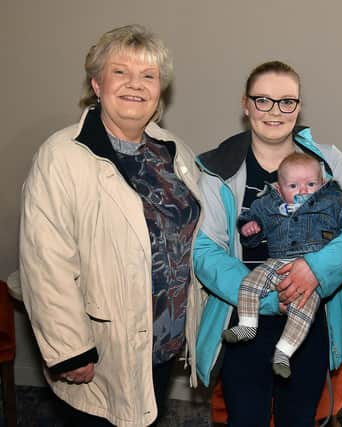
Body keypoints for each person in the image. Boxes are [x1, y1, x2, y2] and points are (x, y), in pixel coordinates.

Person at [17, 25, 204, 426]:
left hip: (162, 340)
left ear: (160, 90)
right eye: (121, 72)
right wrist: (70, 349)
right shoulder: (63, 156)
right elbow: (45, 262)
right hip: (103, 349)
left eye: (148, 76)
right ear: (97, 84)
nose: (136, 85)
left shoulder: (175, 151)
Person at [194, 60, 342, 427]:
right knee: (245, 419)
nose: (275, 111)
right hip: (245, 317)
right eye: (263, 100)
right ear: (246, 105)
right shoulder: (217, 168)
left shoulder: (329, 161)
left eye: (286, 101)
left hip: (312, 315)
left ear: (299, 106)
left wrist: (316, 270)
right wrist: (268, 297)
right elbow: (205, 250)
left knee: (299, 419)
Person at [222, 152, 342, 379]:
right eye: (293, 186)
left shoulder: (333, 200)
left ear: (322, 183)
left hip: (311, 273)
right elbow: (253, 220)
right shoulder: (268, 203)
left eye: (311, 184)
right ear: (279, 188)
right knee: (250, 283)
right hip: (277, 263)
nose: (303, 191)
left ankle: (283, 352)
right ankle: (247, 324)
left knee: (303, 311)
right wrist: (250, 227)